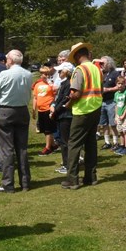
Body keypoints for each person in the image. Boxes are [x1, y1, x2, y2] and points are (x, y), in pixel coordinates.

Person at [0, 49, 34, 192]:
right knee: (22, 148)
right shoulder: (28, 74)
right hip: (23, 110)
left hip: (6, 111)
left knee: (6, 149)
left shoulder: (5, 74)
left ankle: (8, 184)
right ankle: (25, 182)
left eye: (7, 59)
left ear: (11, 60)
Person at [62, 42, 102, 188]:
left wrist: (68, 104)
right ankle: (91, 177)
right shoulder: (97, 69)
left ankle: (72, 179)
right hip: (96, 108)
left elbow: (76, 93)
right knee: (91, 144)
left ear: (78, 55)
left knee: (74, 144)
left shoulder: (80, 70)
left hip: (82, 111)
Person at [51, 61, 74, 175]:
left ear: (66, 72)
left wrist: (55, 110)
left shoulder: (69, 83)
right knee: (62, 140)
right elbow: (58, 98)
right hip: (61, 115)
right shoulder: (64, 83)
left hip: (66, 115)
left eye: (61, 71)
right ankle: (66, 163)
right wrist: (54, 105)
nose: (59, 72)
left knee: (65, 141)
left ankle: (67, 165)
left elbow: (65, 100)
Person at [32, 63, 58, 154]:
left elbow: (55, 94)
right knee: (43, 129)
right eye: (43, 74)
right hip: (40, 109)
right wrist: (34, 109)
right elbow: (35, 97)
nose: (45, 76)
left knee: (48, 130)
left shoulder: (51, 84)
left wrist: (50, 83)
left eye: (47, 74)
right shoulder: (37, 85)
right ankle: (53, 144)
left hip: (48, 108)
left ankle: (48, 147)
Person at [113, 74, 126, 155]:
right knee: (120, 131)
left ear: (125, 84)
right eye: (118, 83)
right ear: (116, 84)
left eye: (122, 83)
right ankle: (122, 145)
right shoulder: (116, 94)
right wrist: (116, 116)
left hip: (125, 115)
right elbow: (116, 105)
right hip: (118, 115)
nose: (120, 85)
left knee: (125, 131)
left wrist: (124, 115)